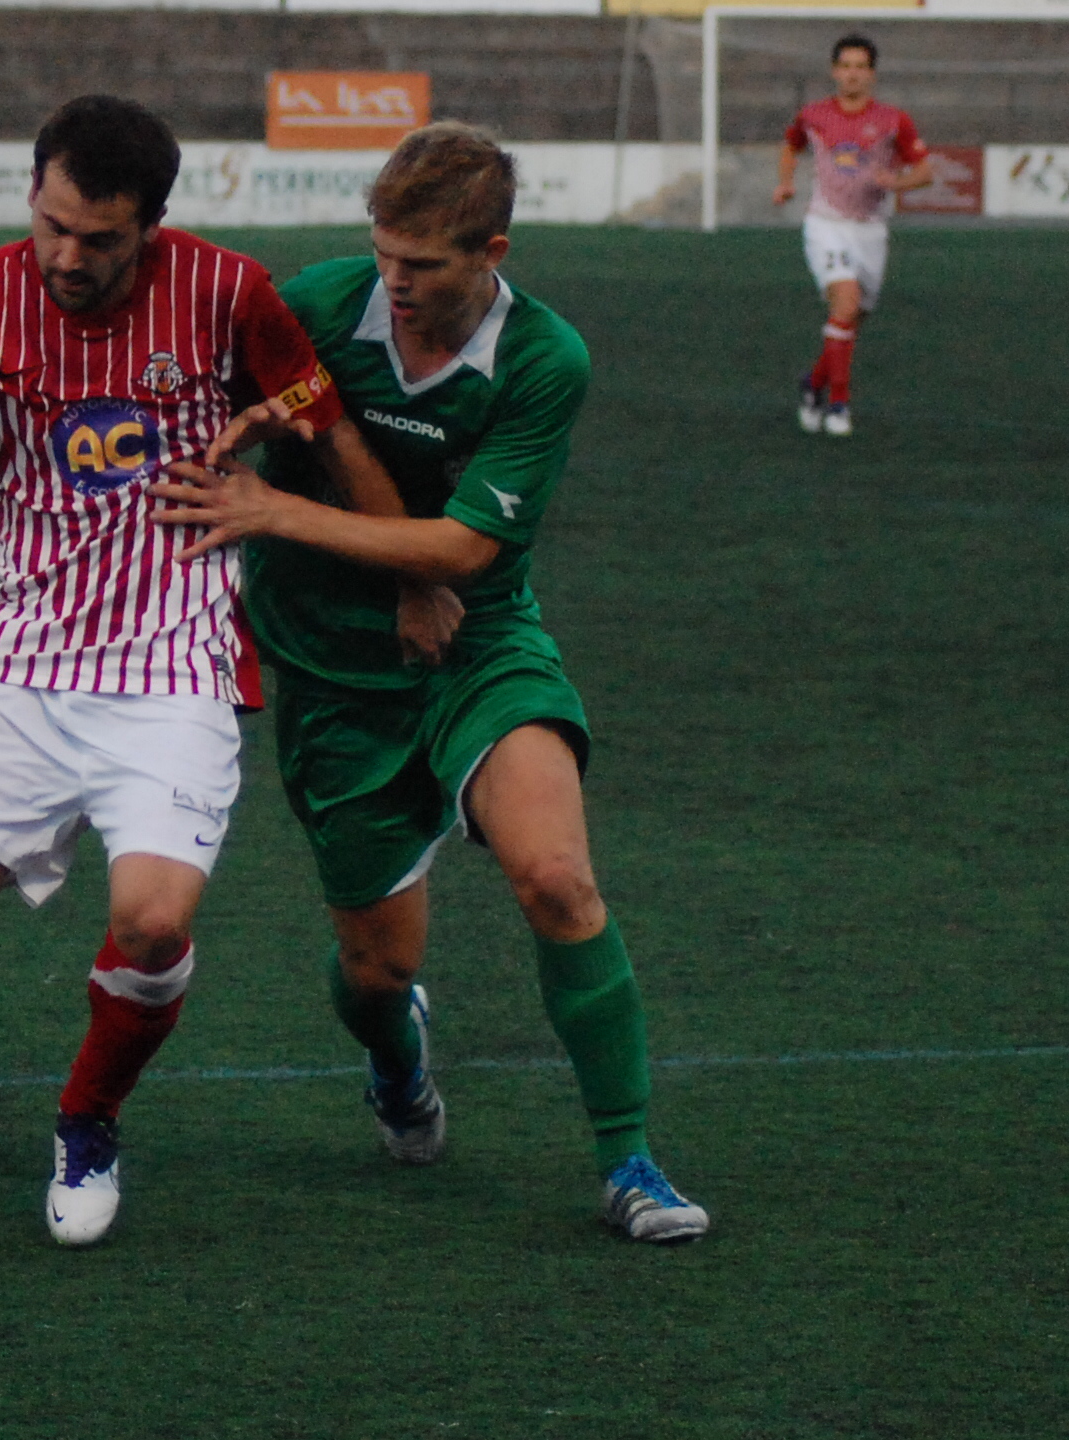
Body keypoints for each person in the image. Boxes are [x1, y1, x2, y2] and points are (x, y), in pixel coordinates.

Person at [0, 94, 391, 1256]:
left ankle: (90, 1120)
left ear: (151, 227)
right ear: (32, 190)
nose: (67, 256)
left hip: (177, 666)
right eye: (52, 224)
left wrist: (411, 571)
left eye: (100, 239)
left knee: (155, 925)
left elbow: (322, 421)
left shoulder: (226, 293)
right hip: (20, 664)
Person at [148, 122, 709, 1243]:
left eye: (423, 266)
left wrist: (270, 507)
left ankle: (632, 1162)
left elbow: (463, 556)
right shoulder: (316, 300)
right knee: (374, 972)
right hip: (328, 673)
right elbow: (203, 407)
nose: (392, 283)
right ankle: (398, 1063)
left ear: (491, 250)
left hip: (478, 644)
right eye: (383, 254)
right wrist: (240, 427)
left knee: (556, 878)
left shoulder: (546, 359)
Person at [772, 34, 932, 438]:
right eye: (845, 66)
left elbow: (925, 172)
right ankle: (839, 406)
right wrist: (785, 183)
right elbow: (790, 146)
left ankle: (812, 385)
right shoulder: (813, 115)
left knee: (850, 320)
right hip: (826, 225)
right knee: (845, 301)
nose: (852, 74)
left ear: (872, 74)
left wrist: (896, 181)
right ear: (834, 71)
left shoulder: (894, 120)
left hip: (871, 231)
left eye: (861, 67)